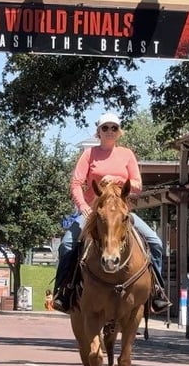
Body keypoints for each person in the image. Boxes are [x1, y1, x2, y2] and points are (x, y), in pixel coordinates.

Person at [52, 112, 171, 313]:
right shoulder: (89, 155)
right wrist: (84, 207)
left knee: (155, 243)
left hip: (121, 213)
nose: (109, 131)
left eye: (114, 128)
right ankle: (64, 291)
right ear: (98, 131)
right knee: (67, 245)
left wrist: (115, 179)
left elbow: (137, 185)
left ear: (119, 132)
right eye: (105, 128)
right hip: (94, 212)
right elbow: (76, 183)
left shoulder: (126, 154)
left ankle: (156, 291)